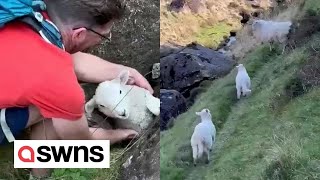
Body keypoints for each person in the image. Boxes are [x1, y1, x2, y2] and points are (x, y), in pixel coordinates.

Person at [0, 0, 154, 178]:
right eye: (104, 35)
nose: (101, 41)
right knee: (55, 111)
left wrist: (127, 72)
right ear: (79, 34)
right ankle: (39, 176)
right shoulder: (60, 85)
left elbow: (63, 60)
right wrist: (120, 135)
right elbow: (82, 141)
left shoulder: (28, 8)